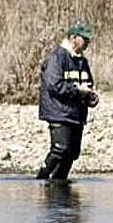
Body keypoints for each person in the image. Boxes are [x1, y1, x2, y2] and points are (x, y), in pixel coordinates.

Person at [36, 21, 99, 180]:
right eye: (85, 39)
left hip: (76, 114)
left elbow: (88, 84)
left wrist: (90, 96)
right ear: (74, 38)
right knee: (60, 149)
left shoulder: (82, 61)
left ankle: (59, 185)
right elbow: (54, 85)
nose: (88, 43)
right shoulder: (57, 57)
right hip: (59, 112)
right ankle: (41, 181)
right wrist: (77, 90)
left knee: (72, 153)